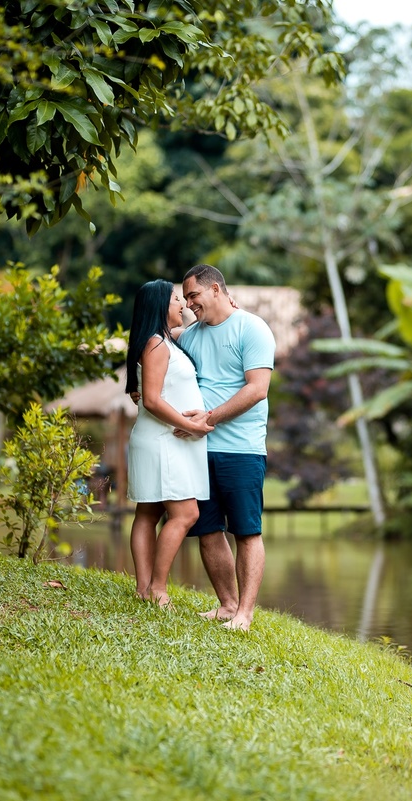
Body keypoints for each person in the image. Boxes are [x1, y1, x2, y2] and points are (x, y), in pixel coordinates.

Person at [176, 264, 275, 631]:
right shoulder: (189, 336)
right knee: (208, 529)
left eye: (194, 296)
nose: (189, 304)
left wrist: (209, 419)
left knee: (247, 530)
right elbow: (164, 343)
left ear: (216, 289)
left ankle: (245, 615)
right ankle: (227, 605)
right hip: (198, 450)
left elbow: (257, 389)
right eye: (185, 299)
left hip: (243, 450)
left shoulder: (253, 328)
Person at [124, 279, 213, 608]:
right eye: (176, 298)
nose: (183, 304)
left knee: (148, 511)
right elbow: (152, 399)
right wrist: (190, 424)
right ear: (160, 306)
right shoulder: (157, 344)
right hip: (163, 440)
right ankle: (157, 589)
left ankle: (144, 589)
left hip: (162, 438)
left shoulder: (165, 342)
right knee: (185, 514)